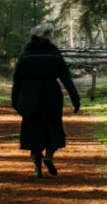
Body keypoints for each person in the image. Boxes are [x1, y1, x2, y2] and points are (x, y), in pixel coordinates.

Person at [12, 21, 80, 177]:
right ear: (49, 36)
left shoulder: (26, 54)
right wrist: (75, 100)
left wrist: (15, 101)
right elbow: (66, 78)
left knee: (33, 129)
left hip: (31, 95)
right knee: (53, 127)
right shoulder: (54, 53)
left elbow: (17, 79)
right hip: (51, 94)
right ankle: (48, 156)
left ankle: (37, 166)